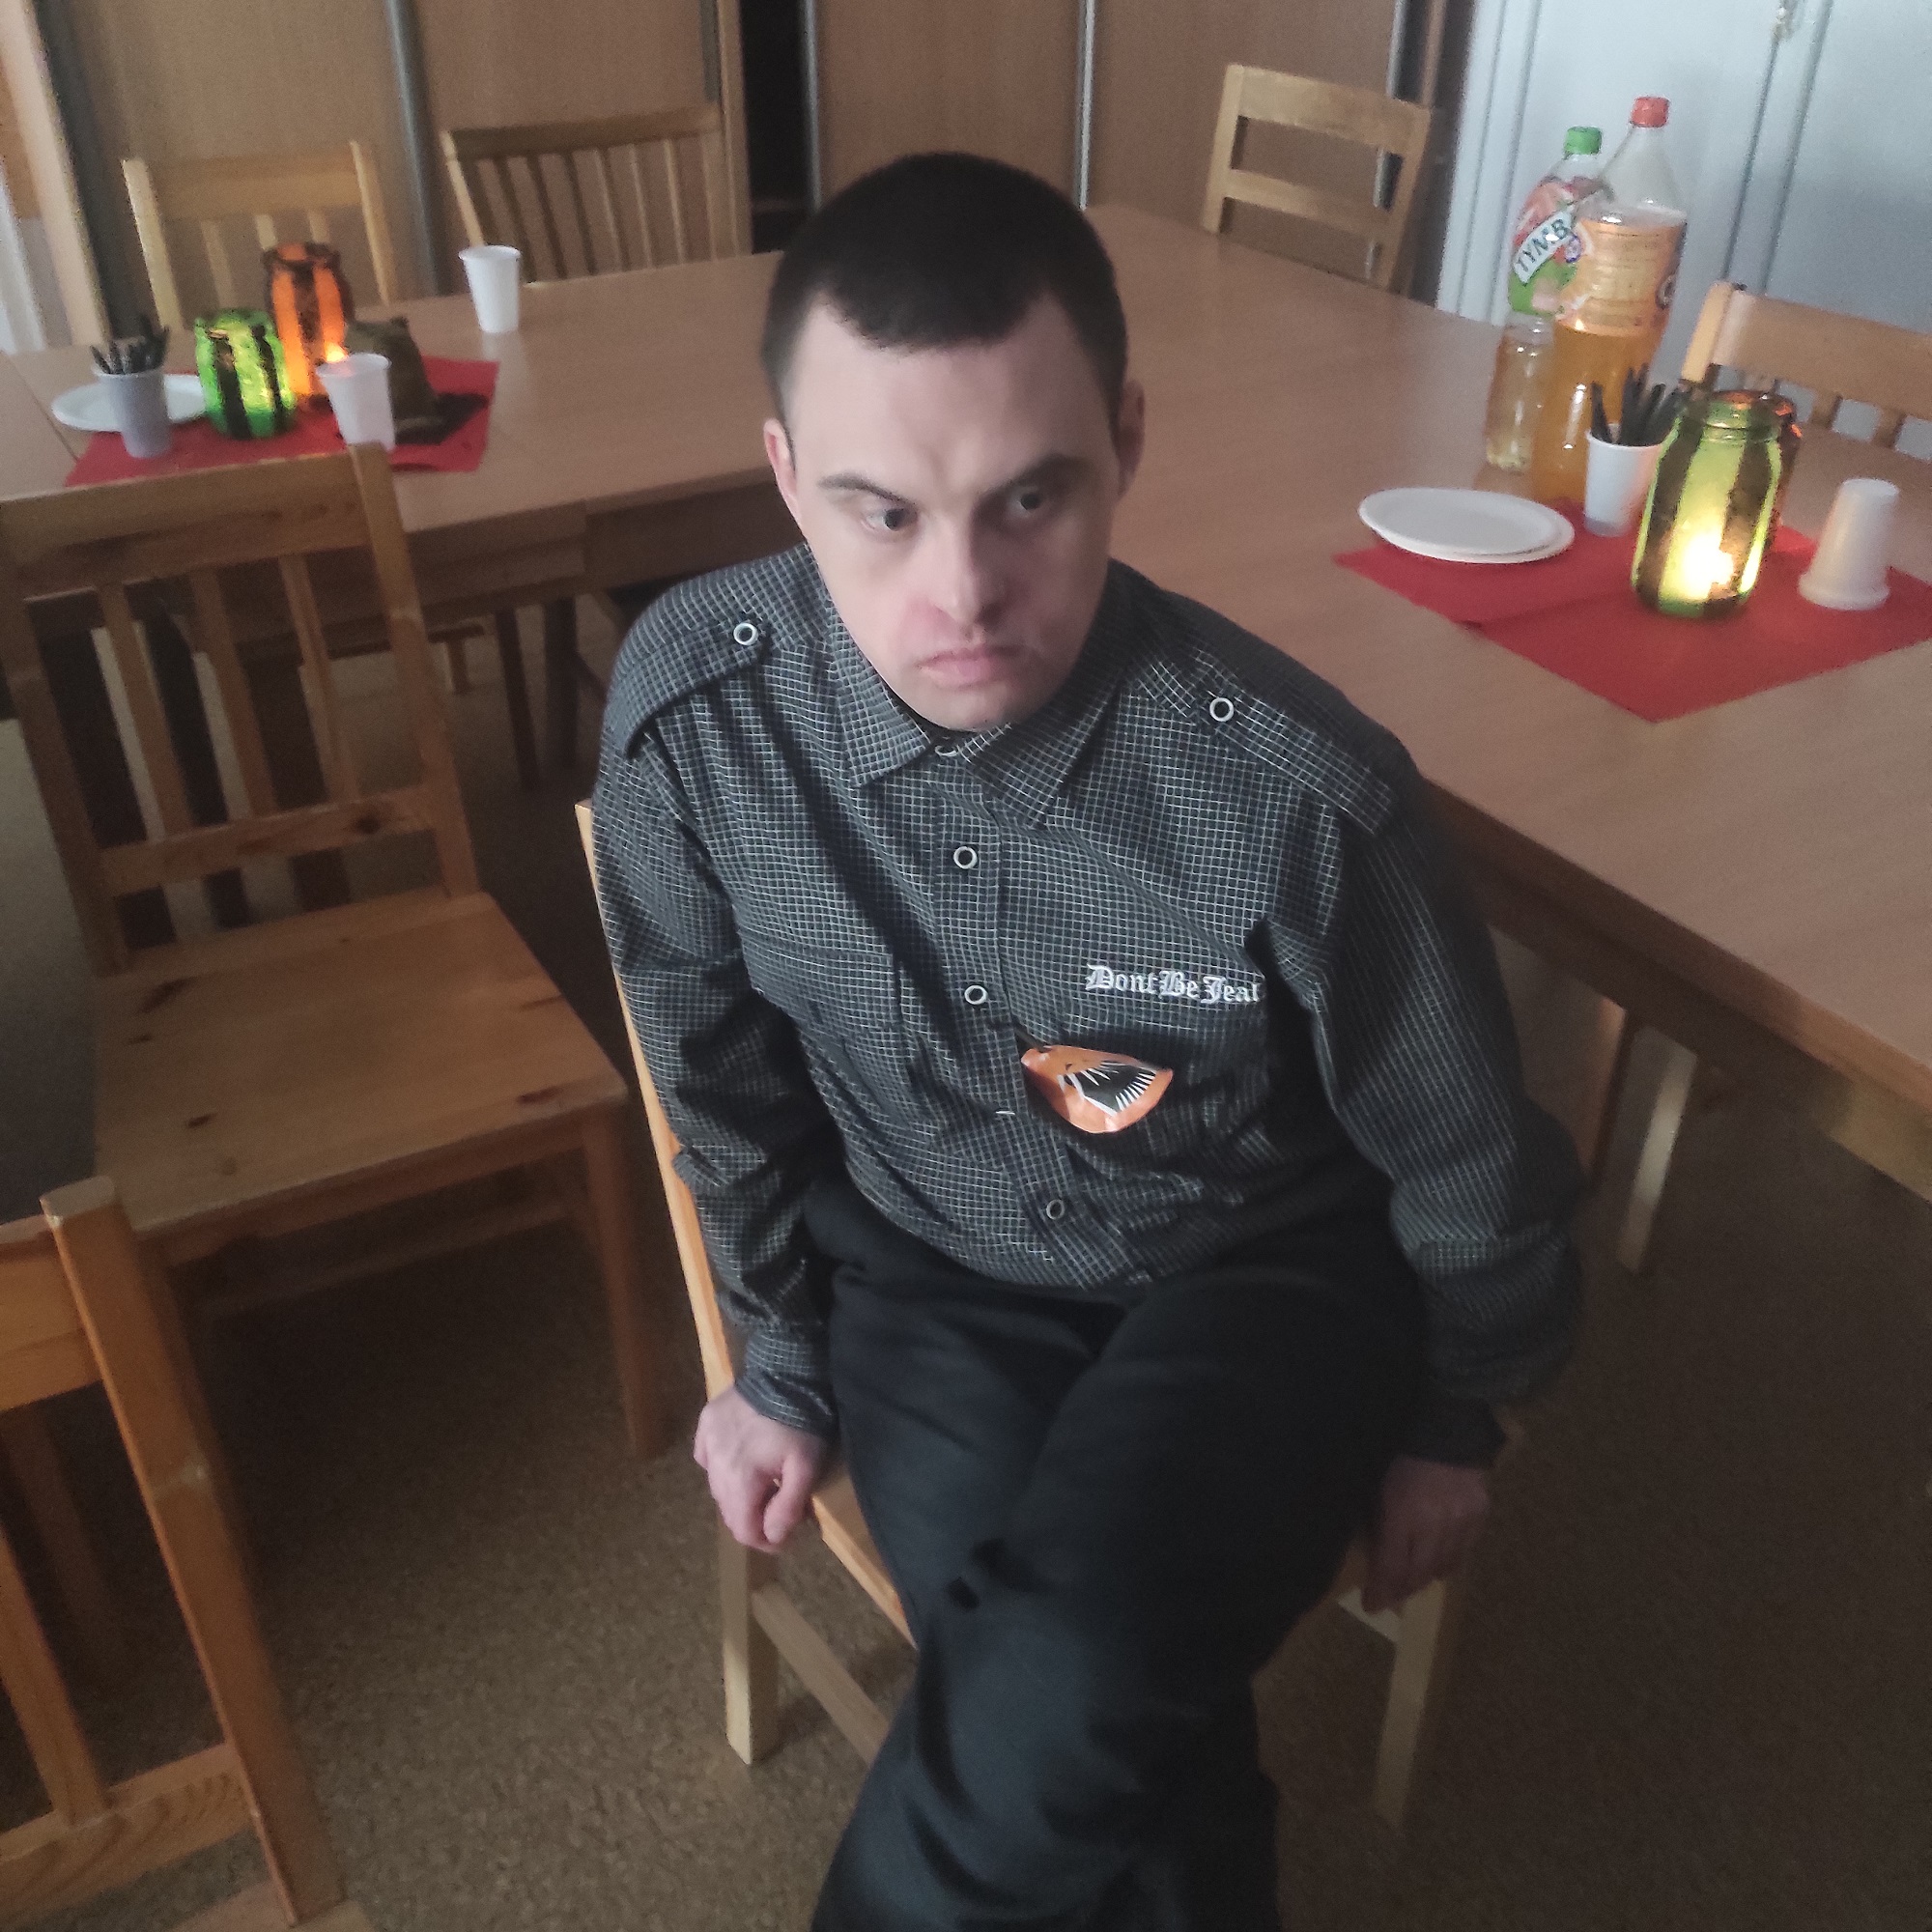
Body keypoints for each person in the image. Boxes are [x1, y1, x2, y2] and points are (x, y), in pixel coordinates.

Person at [591, 152, 1581, 1932]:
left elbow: (1459, 1144)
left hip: (1262, 1265)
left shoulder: (1297, 793)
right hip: (931, 1260)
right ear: (788, 479)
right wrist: (778, 1353)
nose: (962, 594)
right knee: (1071, 1690)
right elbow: (717, 1082)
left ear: (1124, 443)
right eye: (881, 513)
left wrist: (1456, 1410)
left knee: (1074, 1658)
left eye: (1029, 498)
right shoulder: (699, 717)